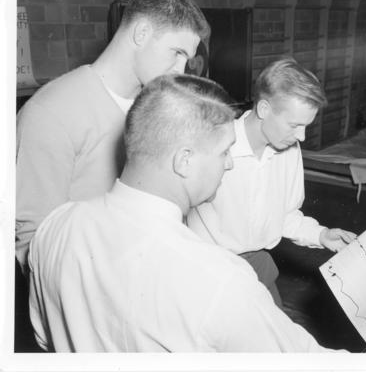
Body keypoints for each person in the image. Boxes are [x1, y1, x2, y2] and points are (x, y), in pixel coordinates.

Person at [28, 74, 346, 353]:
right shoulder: (220, 281)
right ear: (184, 161)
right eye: (224, 152)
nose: (231, 162)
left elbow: (45, 337)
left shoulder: (55, 227)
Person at [16, 0, 209, 273]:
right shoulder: (50, 112)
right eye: (177, 52)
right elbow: (33, 244)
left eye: (187, 58)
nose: (181, 69)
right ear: (141, 33)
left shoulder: (156, 108)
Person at [187, 58, 357, 305]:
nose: (302, 136)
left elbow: (285, 215)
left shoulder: (289, 149)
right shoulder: (212, 145)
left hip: (256, 267)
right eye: (294, 125)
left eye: (306, 126)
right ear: (264, 109)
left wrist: (321, 235)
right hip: (207, 272)